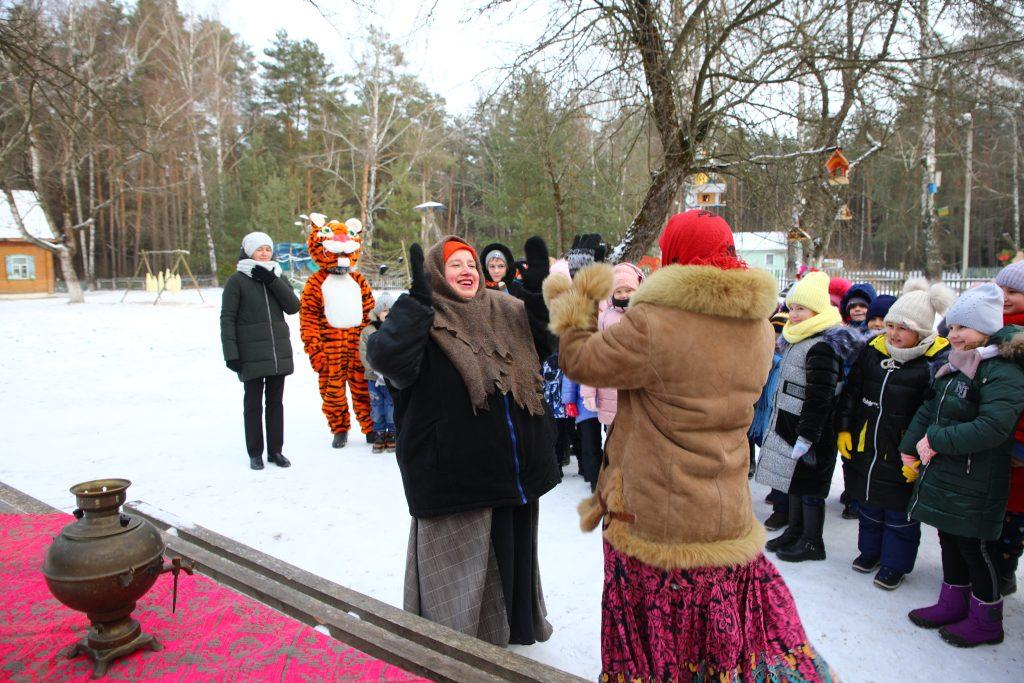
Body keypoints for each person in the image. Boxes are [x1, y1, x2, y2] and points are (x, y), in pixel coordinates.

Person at [546, 210, 834, 681]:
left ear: (675, 255)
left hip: (655, 515)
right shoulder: (761, 326)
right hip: (724, 509)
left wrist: (575, 297)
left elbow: (580, 360)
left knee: (650, 642)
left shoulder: (656, 323)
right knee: (707, 642)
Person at [366, 236, 559, 647]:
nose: (467, 270)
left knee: (509, 556)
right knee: (458, 571)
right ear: (436, 273)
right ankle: (452, 647)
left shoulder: (508, 311)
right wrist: (415, 307)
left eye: (471, 263)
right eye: (454, 265)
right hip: (453, 474)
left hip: (514, 473)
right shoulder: (423, 317)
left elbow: (550, 345)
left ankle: (512, 629)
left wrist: (542, 297)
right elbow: (385, 359)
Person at [902, 283, 1024, 647]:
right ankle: (952, 603)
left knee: (976, 548)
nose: (953, 335)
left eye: (962, 328)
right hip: (949, 474)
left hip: (979, 477)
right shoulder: (958, 364)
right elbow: (930, 408)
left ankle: (987, 619)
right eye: (951, 327)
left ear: (986, 327)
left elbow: (994, 427)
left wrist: (936, 440)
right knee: (949, 539)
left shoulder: (1002, 370)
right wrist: (910, 445)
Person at [836, 279, 954, 590]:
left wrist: (917, 453)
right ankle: (870, 552)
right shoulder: (873, 351)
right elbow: (852, 392)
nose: (893, 333)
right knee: (868, 503)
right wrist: (845, 429)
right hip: (868, 446)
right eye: (891, 325)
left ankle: (895, 564)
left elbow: (933, 411)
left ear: (923, 331)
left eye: (903, 328)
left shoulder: (932, 362)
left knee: (900, 514)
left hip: (902, 452)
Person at [755, 271, 864, 562]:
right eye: (791, 308)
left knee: (811, 487)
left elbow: (820, 397)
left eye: (801, 308)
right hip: (790, 424)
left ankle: (812, 541)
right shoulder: (799, 338)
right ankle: (796, 531)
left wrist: (807, 435)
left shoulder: (822, 346)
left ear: (818, 310)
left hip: (811, 430)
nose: (794, 314)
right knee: (794, 483)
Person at [220, 232, 300, 470]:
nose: (264, 253)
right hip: (250, 353)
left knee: (276, 403)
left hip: (277, 351)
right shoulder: (237, 281)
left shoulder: (276, 275)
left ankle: (276, 451)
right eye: (259, 249)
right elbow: (227, 318)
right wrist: (231, 353)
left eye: (267, 249)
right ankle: (255, 452)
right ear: (248, 252)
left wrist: (271, 280)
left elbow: (293, 306)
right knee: (253, 404)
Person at [580, 262, 645, 426]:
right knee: (614, 442)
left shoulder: (646, 314)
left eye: (629, 290)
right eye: (619, 291)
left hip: (640, 392)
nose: (624, 295)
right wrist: (588, 391)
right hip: (611, 395)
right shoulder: (604, 318)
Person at [995, 260, 1024, 595]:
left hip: (1015, 446)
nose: (1004, 297)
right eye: (1000, 290)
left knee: (1012, 514)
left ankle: (1005, 568)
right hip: (990, 438)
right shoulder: (989, 328)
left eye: (1013, 292)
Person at [359, 293, 396, 453]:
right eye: (383, 310)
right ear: (377, 312)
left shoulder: (397, 330)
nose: (386, 314)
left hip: (392, 378)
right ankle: (379, 433)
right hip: (373, 378)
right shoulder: (368, 331)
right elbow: (364, 353)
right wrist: (374, 370)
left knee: (391, 405)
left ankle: (393, 433)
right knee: (376, 405)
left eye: (389, 311)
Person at [561, 374, 601, 490]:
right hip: (589, 405)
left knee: (591, 444)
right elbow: (570, 377)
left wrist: (569, 401)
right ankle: (595, 478)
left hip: (590, 405)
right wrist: (569, 401)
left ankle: (595, 477)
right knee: (592, 444)